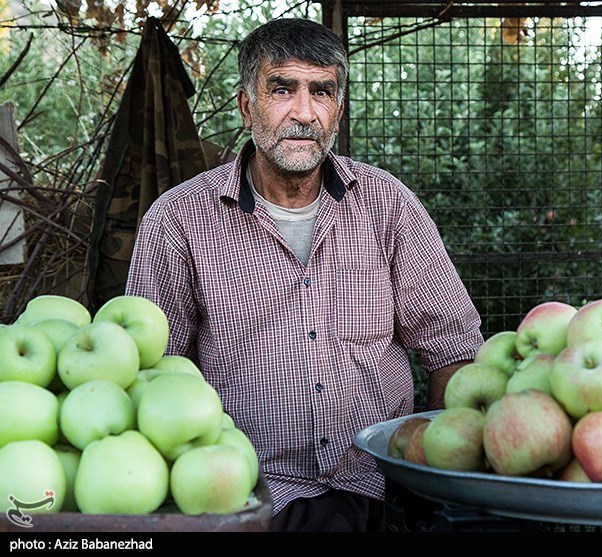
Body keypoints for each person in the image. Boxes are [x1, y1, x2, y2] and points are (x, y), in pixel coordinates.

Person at [125, 17, 484, 532]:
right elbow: (152, 374)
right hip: (243, 501)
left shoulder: (387, 204)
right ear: (247, 106)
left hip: (378, 493)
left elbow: (454, 352)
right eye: (281, 89)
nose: (303, 112)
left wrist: (429, 475)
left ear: (337, 110)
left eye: (322, 92)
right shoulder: (179, 219)